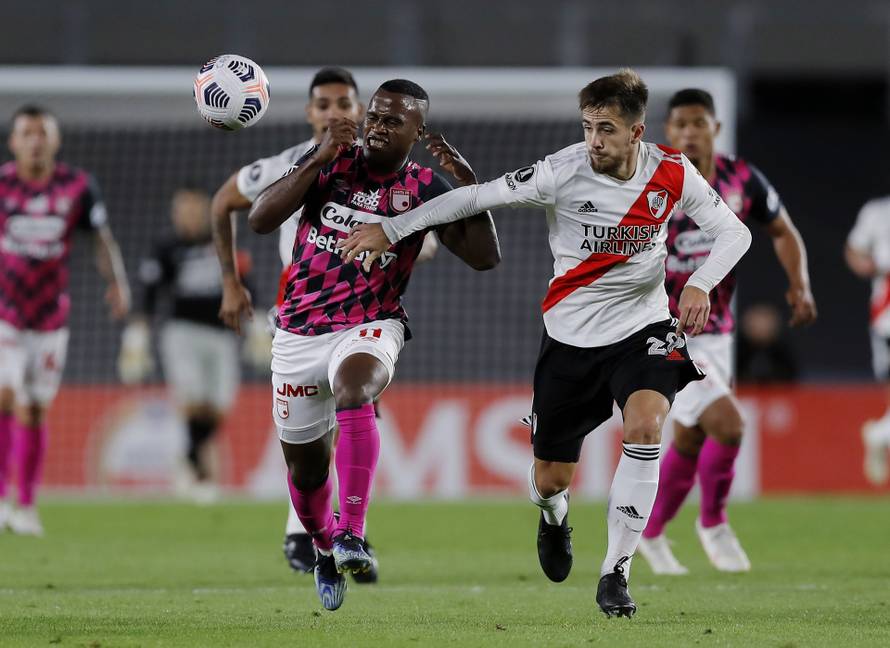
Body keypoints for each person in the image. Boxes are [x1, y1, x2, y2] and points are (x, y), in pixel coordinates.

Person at [338, 69, 751, 618]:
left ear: (637, 131)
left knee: (647, 426)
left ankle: (617, 573)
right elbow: (471, 200)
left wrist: (699, 282)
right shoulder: (560, 172)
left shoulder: (672, 171)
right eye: (587, 127)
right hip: (571, 341)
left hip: (645, 328)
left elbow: (735, 233)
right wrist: (392, 229)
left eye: (606, 129)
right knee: (551, 479)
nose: (594, 141)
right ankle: (554, 518)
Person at [227, 78, 500, 611]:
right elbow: (260, 219)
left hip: (371, 322)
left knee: (357, 390)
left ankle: (352, 531)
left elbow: (485, 258)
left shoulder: (424, 187)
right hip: (298, 331)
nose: (377, 126)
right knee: (305, 477)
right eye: (374, 116)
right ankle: (327, 549)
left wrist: (471, 187)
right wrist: (318, 156)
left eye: (393, 121)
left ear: (417, 131)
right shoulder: (332, 161)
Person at [636, 88, 817, 574]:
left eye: (699, 123)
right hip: (663, 331)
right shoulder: (650, 181)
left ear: (715, 127)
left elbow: (782, 230)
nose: (690, 133)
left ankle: (650, 534)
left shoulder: (741, 179)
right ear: (667, 132)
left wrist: (800, 286)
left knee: (692, 439)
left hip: (719, 333)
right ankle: (713, 522)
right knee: (729, 424)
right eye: (680, 125)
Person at [0, 105, 130, 535]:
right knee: (4, 393)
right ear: (13, 141)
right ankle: (1, 497)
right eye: (27, 133)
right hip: (5, 311)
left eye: (43, 133)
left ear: (55, 140)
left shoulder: (77, 186)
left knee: (36, 409)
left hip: (51, 316)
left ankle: (26, 504)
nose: (35, 140)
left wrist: (118, 284)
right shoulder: (2, 184)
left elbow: (101, 239)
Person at [118, 185, 246, 503]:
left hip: (222, 332)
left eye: (192, 207)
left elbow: (244, 283)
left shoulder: (222, 242)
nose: (186, 215)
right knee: (193, 400)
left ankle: (187, 456)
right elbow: (148, 293)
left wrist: (257, 327)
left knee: (218, 406)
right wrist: (137, 336)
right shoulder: (166, 247)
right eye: (181, 208)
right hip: (182, 332)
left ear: (205, 209)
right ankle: (198, 471)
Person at [846, 194, 890, 485]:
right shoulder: (878, 211)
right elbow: (854, 250)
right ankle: (881, 434)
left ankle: (882, 433)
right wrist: (866, 264)